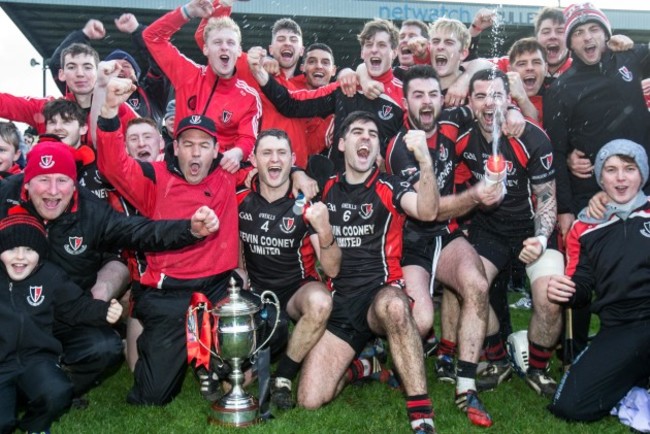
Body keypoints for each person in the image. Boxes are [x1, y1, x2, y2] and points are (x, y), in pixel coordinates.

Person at [0, 141, 218, 403]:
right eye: (43, 180)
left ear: (74, 182)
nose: (53, 191)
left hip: (68, 313)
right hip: (11, 314)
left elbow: (139, 231)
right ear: (26, 182)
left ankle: (54, 390)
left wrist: (189, 230)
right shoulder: (4, 199)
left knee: (105, 348)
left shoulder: (92, 211)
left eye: (62, 180)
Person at [93, 65, 249, 405]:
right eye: (188, 145)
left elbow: (270, 167)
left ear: (215, 149)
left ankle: (216, 362)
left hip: (218, 285)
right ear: (174, 147)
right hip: (168, 293)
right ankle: (178, 349)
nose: (196, 153)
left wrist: (298, 178)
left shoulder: (226, 176)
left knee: (262, 334)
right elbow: (113, 166)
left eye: (204, 145)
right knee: (152, 395)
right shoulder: (154, 177)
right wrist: (107, 111)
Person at [296, 111, 438, 433]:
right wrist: (324, 229)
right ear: (342, 143)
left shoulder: (390, 186)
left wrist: (426, 163)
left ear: (377, 148)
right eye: (357, 132)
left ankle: (421, 416)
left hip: (379, 294)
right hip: (343, 304)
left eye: (373, 134)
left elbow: (428, 211)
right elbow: (331, 267)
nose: (366, 139)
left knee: (396, 306)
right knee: (309, 399)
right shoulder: (324, 193)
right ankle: (361, 367)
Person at [385, 65, 506, 428]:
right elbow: (428, 211)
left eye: (433, 94)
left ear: (443, 98)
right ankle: (380, 359)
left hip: (447, 234)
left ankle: (466, 385)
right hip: (412, 240)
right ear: (405, 101)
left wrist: (510, 114)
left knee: (477, 285)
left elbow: (490, 97)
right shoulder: (399, 146)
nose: (426, 102)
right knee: (419, 320)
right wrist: (475, 196)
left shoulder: (455, 125)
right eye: (418, 95)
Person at [543, 2, 650, 358]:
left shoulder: (629, 60)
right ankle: (574, 352)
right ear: (569, 43)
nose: (587, 38)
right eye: (578, 33)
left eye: (594, 30)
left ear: (606, 33)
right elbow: (558, 152)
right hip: (593, 192)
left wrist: (631, 44)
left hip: (643, 186)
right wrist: (566, 208)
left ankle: (636, 340)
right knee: (583, 269)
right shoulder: (561, 87)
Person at [455, 69, 564, 398]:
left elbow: (546, 199)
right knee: (474, 289)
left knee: (549, 297)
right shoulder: (461, 137)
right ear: (470, 103)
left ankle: (538, 368)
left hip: (534, 231)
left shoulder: (531, 136)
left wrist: (542, 238)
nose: (489, 103)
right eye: (480, 96)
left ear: (508, 99)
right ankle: (498, 359)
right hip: (490, 230)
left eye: (497, 96)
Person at [237, 129, 341, 409]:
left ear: (292, 159)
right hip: (257, 292)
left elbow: (332, 269)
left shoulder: (306, 204)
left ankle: (283, 377)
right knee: (234, 383)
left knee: (321, 302)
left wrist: (326, 229)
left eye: (282, 153)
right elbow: (236, 242)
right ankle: (256, 362)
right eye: (267, 153)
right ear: (254, 159)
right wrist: (239, 273)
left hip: (296, 288)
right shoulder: (239, 197)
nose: (275, 159)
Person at [547, 139, 650, 421]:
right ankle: (636, 373)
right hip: (619, 327)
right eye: (611, 169)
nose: (620, 178)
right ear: (599, 177)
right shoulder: (584, 227)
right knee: (568, 406)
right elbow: (581, 287)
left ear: (642, 173)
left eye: (629, 169)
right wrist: (565, 290)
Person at [0, 213, 123, 434]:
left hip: (36, 359)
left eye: (29, 250)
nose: (20, 257)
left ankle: (35, 426)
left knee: (57, 392)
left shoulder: (50, 276)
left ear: (41, 252)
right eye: (11, 249)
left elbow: (76, 306)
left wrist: (104, 311)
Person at [251, 19, 405, 170]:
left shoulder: (405, 95)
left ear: (394, 52)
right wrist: (259, 73)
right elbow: (291, 104)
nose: (374, 50)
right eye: (369, 45)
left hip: (382, 187)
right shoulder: (345, 86)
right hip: (340, 187)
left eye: (382, 45)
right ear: (362, 52)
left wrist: (388, 165)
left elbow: (410, 144)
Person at [143, 0, 262, 173]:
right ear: (205, 49)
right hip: (179, 171)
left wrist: (237, 153)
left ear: (238, 51)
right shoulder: (188, 75)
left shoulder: (248, 97)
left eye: (230, 43)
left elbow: (247, 137)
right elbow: (152, 36)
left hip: (220, 175)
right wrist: (187, 11)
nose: (224, 47)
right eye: (217, 42)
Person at [0, 42, 137, 147]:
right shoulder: (46, 108)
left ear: (98, 72)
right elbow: (4, 103)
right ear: (62, 74)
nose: (80, 74)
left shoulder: (118, 109)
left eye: (87, 67)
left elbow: (148, 141)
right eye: (71, 67)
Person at [48, 16, 172, 125]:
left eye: (126, 66)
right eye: (113, 66)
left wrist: (137, 30)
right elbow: (57, 64)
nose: (120, 69)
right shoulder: (87, 93)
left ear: (136, 75)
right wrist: (83, 34)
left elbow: (162, 61)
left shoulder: (152, 93)